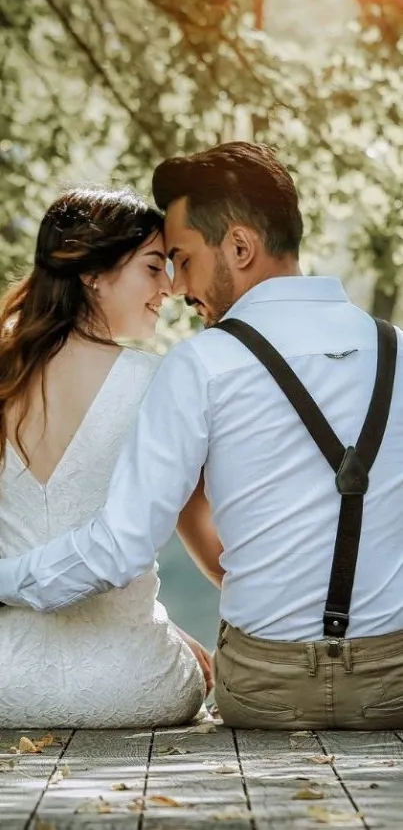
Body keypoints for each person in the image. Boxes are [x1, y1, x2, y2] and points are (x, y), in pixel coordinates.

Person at [1, 142, 403, 730]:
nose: (177, 287)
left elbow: (129, 547)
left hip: (265, 691)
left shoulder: (202, 365)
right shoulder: (396, 351)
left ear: (239, 247)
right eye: (159, 265)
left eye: (182, 258)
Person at [0, 185, 211, 728]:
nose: (169, 287)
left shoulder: (5, 376)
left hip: (7, 681)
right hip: (133, 685)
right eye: (152, 266)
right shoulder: (159, 381)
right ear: (92, 272)